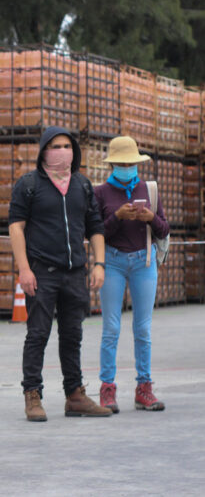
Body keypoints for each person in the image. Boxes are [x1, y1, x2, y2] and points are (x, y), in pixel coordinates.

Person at [8, 126, 112, 421]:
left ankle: (75, 394)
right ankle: (32, 394)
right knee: (38, 334)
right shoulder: (29, 184)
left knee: (72, 334)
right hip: (42, 272)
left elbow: (95, 227)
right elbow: (16, 226)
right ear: (43, 151)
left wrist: (99, 264)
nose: (62, 151)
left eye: (67, 146)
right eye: (55, 146)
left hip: (75, 272)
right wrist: (24, 269)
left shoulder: (82, 185)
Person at [94, 136, 168, 413]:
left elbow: (163, 229)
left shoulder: (150, 189)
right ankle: (107, 388)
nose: (126, 167)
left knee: (143, 328)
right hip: (111, 261)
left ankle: (144, 387)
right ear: (112, 164)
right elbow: (97, 232)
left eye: (131, 163)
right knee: (111, 327)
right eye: (121, 163)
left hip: (143, 261)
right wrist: (118, 217)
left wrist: (149, 218)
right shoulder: (100, 193)